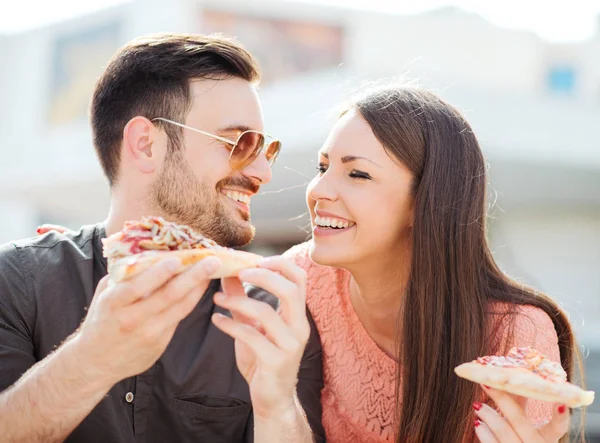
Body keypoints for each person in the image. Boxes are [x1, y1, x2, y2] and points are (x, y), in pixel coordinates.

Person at [0, 33, 324, 443]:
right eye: (241, 142)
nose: (263, 173)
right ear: (146, 145)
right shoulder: (16, 282)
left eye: (266, 149)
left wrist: (276, 405)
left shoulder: (275, 316)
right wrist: (90, 360)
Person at [280, 84, 582, 442]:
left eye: (357, 174)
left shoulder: (517, 335)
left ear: (424, 202)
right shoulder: (300, 280)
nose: (318, 190)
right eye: (322, 167)